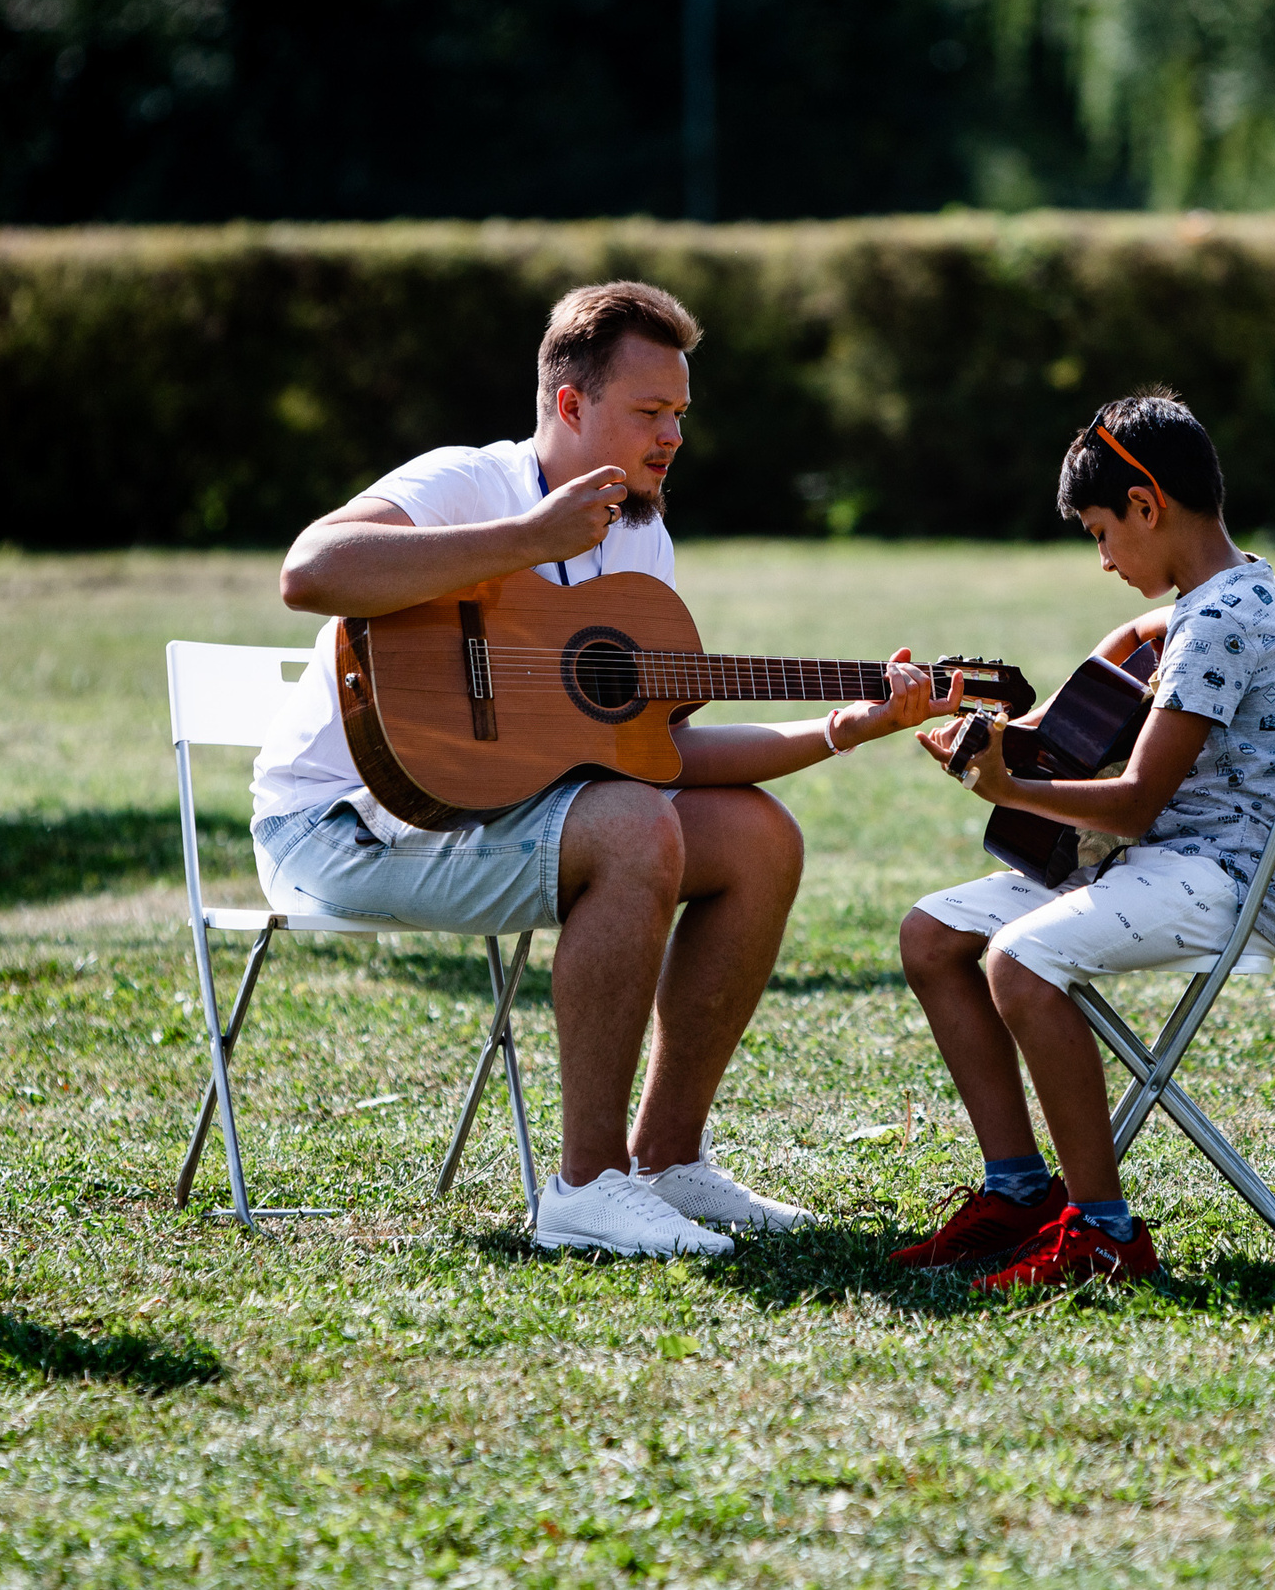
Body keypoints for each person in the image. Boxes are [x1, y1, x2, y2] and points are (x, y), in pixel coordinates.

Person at [252, 280, 959, 1258]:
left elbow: (652, 754)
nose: (672, 436)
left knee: (757, 837)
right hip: (345, 825)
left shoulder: (639, 534)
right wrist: (524, 542)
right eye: (649, 411)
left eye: (680, 414)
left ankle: (666, 1159)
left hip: (491, 816)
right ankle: (585, 1186)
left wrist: (844, 728)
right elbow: (310, 572)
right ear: (572, 404)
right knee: (633, 825)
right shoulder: (468, 482)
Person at [896, 389, 1275, 1290]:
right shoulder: (1226, 587)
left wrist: (1008, 785)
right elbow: (1135, 635)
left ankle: (1104, 1231)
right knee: (931, 935)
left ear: (1145, 505)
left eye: (1100, 533)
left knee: (1018, 962)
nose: (1103, 559)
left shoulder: (1220, 622)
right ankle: (1019, 1192)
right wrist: (1035, 723)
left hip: (1227, 877)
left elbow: (1131, 804)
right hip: (1163, 861)